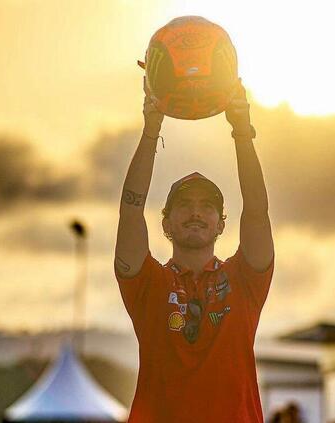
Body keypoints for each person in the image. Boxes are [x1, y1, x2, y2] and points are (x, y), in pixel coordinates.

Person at [114, 78, 274, 423]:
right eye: (184, 205)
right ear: (166, 223)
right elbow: (130, 210)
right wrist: (151, 128)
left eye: (207, 206)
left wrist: (242, 132)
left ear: (221, 224)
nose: (196, 212)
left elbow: (257, 209)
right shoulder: (148, 284)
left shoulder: (245, 279)